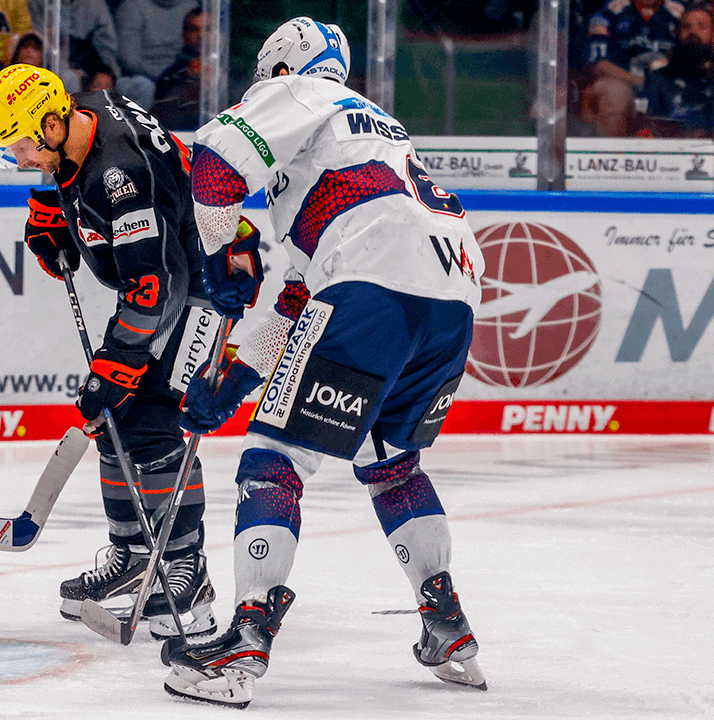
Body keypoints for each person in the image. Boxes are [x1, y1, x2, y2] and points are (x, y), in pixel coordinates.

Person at [161, 18, 487, 707]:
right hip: (452, 292)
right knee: (391, 461)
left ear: (284, 69)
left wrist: (226, 248)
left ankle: (246, 640)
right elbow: (303, 301)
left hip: (376, 279)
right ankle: (448, 626)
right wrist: (237, 376)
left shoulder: (305, 93)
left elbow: (214, 164)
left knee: (273, 459)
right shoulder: (367, 134)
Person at [0, 64, 218, 640]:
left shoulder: (122, 175)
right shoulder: (84, 115)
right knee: (116, 417)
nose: (17, 158)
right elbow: (70, 178)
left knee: (152, 421)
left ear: (53, 125)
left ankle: (189, 572)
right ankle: (135, 554)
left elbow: (154, 285)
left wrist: (118, 365)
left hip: (195, 291)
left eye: (18, 146)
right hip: (162, 280)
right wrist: (54, 214)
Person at [582, 0, 685, 136]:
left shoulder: (681, 12)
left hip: (668, 87)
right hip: (622, 84)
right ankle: (611, 154)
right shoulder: (608, 12)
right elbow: (598, 64)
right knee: (614, 92)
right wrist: (639, 81)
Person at [635, 3, 714, 137]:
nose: (693, 32)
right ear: (677, 34)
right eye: (686, 27)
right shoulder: (658, 78)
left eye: (701, 26)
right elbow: (643, 125)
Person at [113, 0, 198, 107]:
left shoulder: (191, 5)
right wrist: (164, 80)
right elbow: (129, 61)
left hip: (178, 73)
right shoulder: (132, 6)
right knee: (144, 86)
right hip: (140, 77)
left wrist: (177, 75)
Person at [148, 8, 203, 130]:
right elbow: (161, 120)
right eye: (194, 29)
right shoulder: (170, 76)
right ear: (184, 36)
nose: (201, 35)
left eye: (209, 29)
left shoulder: (233, 72)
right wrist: (191, 79)